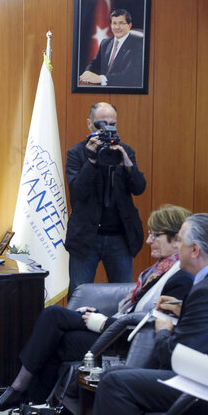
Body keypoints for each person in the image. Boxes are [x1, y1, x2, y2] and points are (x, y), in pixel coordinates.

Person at [52, 213, 208, 415]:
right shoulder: (206, 283)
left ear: (195, 250)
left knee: (116, 382)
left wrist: (163, 329)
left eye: (180, 241)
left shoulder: (206, 289)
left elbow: (176, 355)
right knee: (116, 376)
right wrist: (181, 310)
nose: (178, 247)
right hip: (202, 374)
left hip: (201, 385)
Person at [0, 205, 193, 411]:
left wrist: (102, 323)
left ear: (177, 240)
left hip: (125, 343)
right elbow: (132, 311)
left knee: (55, 327)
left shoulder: (180, 278)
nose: (148, 240)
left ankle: (24, 398)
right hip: (115, 330)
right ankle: (34, 411)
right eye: (149, 234)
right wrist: (101, 317)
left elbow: (152, 325)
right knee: (54, 325)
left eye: (156, 235)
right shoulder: (159, 270)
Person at [65, 102, 146, 298]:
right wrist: (92, 160)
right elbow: (77, 192)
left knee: (124, 296)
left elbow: (139, 188)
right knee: (79, 294)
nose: (107, 129)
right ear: (89, 124)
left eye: (112, 124)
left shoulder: (125, 151)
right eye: (102, 124)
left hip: (120, 237)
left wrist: (127, 163)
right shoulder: (77, 153)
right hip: (86, 238)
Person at [78, 8, 144, 88]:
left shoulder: (138, 45)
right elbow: (94, 64)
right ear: (111, 25)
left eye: (121, 23)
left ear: (129, 25)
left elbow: (130, 75)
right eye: (114, 23)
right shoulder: (105, 43)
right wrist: (87, 73)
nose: (117, 27)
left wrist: (101, 79)